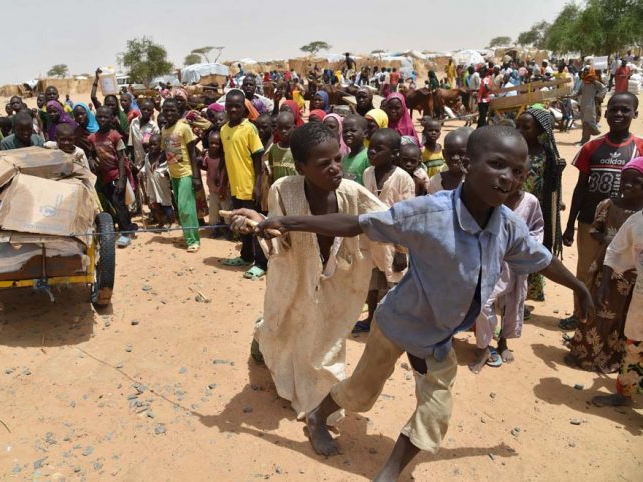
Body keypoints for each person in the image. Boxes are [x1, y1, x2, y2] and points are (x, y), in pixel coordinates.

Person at [248, 126, 594, 481]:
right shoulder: (429, 213)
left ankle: (390, 473)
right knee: (360, 392)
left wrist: (578, 287)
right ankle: (319, 415)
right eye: (497, 165)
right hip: (397, 323)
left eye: (518, 171)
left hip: (437, 338)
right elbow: (356, 224)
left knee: (436, 409)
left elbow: (540, 258)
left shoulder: (507, 226)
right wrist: (286, 221)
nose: (508, 178)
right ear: (469, 163)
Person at [225, 122, 388, 427]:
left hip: (341, 280)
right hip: (295, 276)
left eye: (337, 159)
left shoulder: (353, 192)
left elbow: (387, 223)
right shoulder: (283, 190)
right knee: (285, 326)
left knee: (327, 344)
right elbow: (278, 240)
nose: (335, 168)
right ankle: (263, 343)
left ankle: (320, 406)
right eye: (323, 164)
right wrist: (257, 222)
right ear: (301, 167)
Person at [562, 92, 642, 330]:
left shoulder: (639, 148)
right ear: (605, 113)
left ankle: (616, 321)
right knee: (585, 272)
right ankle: (581, 315)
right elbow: (580, 188)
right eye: (614, 109)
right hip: (589, 222)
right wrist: (569, 224)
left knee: (622, 272)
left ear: (634, 114)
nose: (619, 114)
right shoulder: (592, 147)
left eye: (625, 110)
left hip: (626, 225)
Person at [565, 160, 643, 372]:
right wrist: (610, 240)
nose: (628, 186)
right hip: (606, 267)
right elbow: (594, 230)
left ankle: (614, 357)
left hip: (633, 276)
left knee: (623, 315)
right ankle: (586, 353)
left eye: (636, 182)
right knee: (599, 308)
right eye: (624, 181)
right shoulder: (609, 205)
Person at [470, 165, 544, 372]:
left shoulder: (531, 202)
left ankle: (503, 342)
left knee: (511, 303)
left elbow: (537, 228)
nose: (514, 180)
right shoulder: (492, 198)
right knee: (484, 303)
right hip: (490, 261)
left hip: (517, 263)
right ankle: (483, 346)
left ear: (526, 177)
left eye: (520, 175)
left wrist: (526, 248)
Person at [353, 129, 415, 333]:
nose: (372, 153)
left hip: (393, 242)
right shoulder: (368, 173)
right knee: (372, 284)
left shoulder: (403, 178)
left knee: (394, 285)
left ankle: (393, 326)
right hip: (371, 239)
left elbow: (407, 218)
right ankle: (371, 318)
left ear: (395, 154)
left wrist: (401, 251)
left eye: (379, 150)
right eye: (371, 148)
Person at [591, 189, 643, 408]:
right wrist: (604, 284)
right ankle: (624, 393)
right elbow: (614, 250)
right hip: (642, 299)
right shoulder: (637, 222)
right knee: (634, 345)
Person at [516, 108, 565, 301]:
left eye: (525, 127)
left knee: (534, 249)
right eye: (517, 126)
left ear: (539, 130)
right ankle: (512, 295)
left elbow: (552, 186)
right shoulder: (512, 150)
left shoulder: (547, 154)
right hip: (514, 210)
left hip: (536, 213)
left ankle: (529, 293)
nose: (519, 131)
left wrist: (558, 171)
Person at [219, 90, 267, 280]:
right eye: (229, 105)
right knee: (240, 224)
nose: (233, 109)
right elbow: (226, 158)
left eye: (237, 106)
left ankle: (261, 262)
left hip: (249, 188)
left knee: (255, 226)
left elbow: (258, 161)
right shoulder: (224, 130)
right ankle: (245, 256)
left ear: (244, 108)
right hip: (235, 188)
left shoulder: (249, 129)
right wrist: (224, 184)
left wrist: (257, 186)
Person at [88, 106, 138, 248]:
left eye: (106, 117)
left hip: (117, 174)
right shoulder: (92, 138)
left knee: (118, 202)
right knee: (113, 203)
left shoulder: (115, 136)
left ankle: (125, 233)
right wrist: (91, 160)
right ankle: (128, 225)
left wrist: (122, 179)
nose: (102, 120)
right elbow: (91, 154)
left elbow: (122, 158)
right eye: (99, 117)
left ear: (111, 119)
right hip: (104, 176)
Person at [159, 98, 201, 253]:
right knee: (182, 207)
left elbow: (192, 152)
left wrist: (196, 177)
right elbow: (166, 151)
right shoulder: (164, 130)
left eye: (173, 110)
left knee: (185, 207)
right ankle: (188, 235)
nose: (169, 113)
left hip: (186, 173)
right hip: (173, 174)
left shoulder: (184, 127)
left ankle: (193, 241)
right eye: (166, 110)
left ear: (178, 111)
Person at [201, 130, 231, 238]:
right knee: (213, 212)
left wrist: (223, 187)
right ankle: (215, 229)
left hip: (224, 190)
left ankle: (229, 231)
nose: (214, 146)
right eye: (211, 143)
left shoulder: (224, 157)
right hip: (212, 190)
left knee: (226, 211)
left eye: (217, 143)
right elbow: (204, 166)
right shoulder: (208, 156)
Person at [428, 128, 470, 194]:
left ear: (468, 154)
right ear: (444, 154)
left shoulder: (474, 181)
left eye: (461, 153)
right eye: (450, 153)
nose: (455, 158)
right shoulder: (435, 181)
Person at [575, 67, 607, 145]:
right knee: (584, 123)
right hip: (583, 105)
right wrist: (569, 96)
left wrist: (598, 96)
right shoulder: (583, 82)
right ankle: (584, 139)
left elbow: (604, 89)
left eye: (587, 72)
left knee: (587, 123)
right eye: (585, 72)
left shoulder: (594, 83)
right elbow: (578, 92)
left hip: (590, 105)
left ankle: (585, 140)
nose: (585, 73)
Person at [341, 114, 370, 186]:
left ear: (365, 133)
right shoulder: (345, 158)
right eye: (345, 131)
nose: (348, 134)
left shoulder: (367, 157)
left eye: (353, 130)